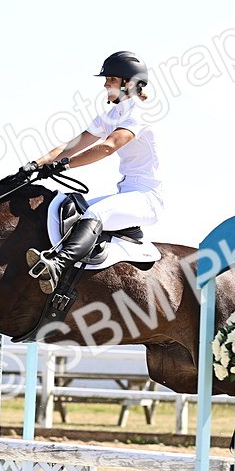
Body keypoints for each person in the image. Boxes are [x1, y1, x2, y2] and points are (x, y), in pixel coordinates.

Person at [25, 51, 162, 293]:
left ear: (128, 83)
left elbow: (108, 147)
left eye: (110, 79)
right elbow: (73, 144)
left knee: (96, 213)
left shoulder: (139, 113)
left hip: (146, 198)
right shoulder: (111, 115)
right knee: (71, 211)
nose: (105, 84)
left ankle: (57, 265)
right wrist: (36, 164)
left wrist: (65, 164)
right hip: (126, 191)